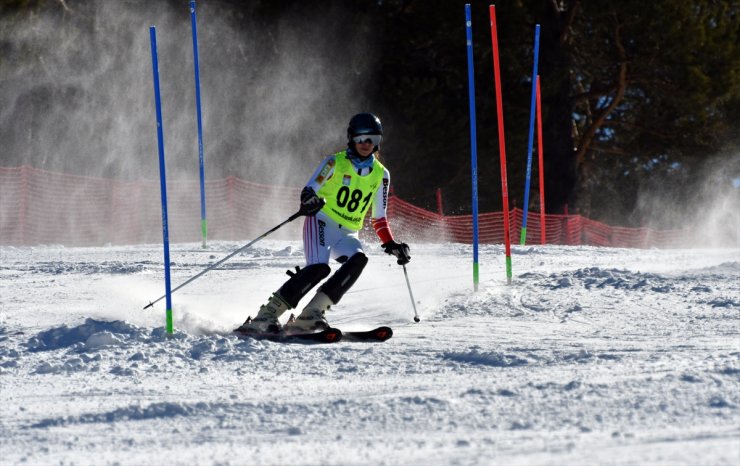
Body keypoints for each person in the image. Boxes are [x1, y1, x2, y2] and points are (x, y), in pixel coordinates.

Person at [237, 113, 411, 334]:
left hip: (348, 231)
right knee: (319, 268)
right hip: (321, 221)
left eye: (372, 140)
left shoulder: (381, 175)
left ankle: (312, 313)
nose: (366, 144)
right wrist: (309, 200)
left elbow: (379, 218)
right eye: (360, 139)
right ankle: (266, 315)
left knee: (358, 260)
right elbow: (310, 189)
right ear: (351, 138)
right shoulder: (334, 162)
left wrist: (391, 244)